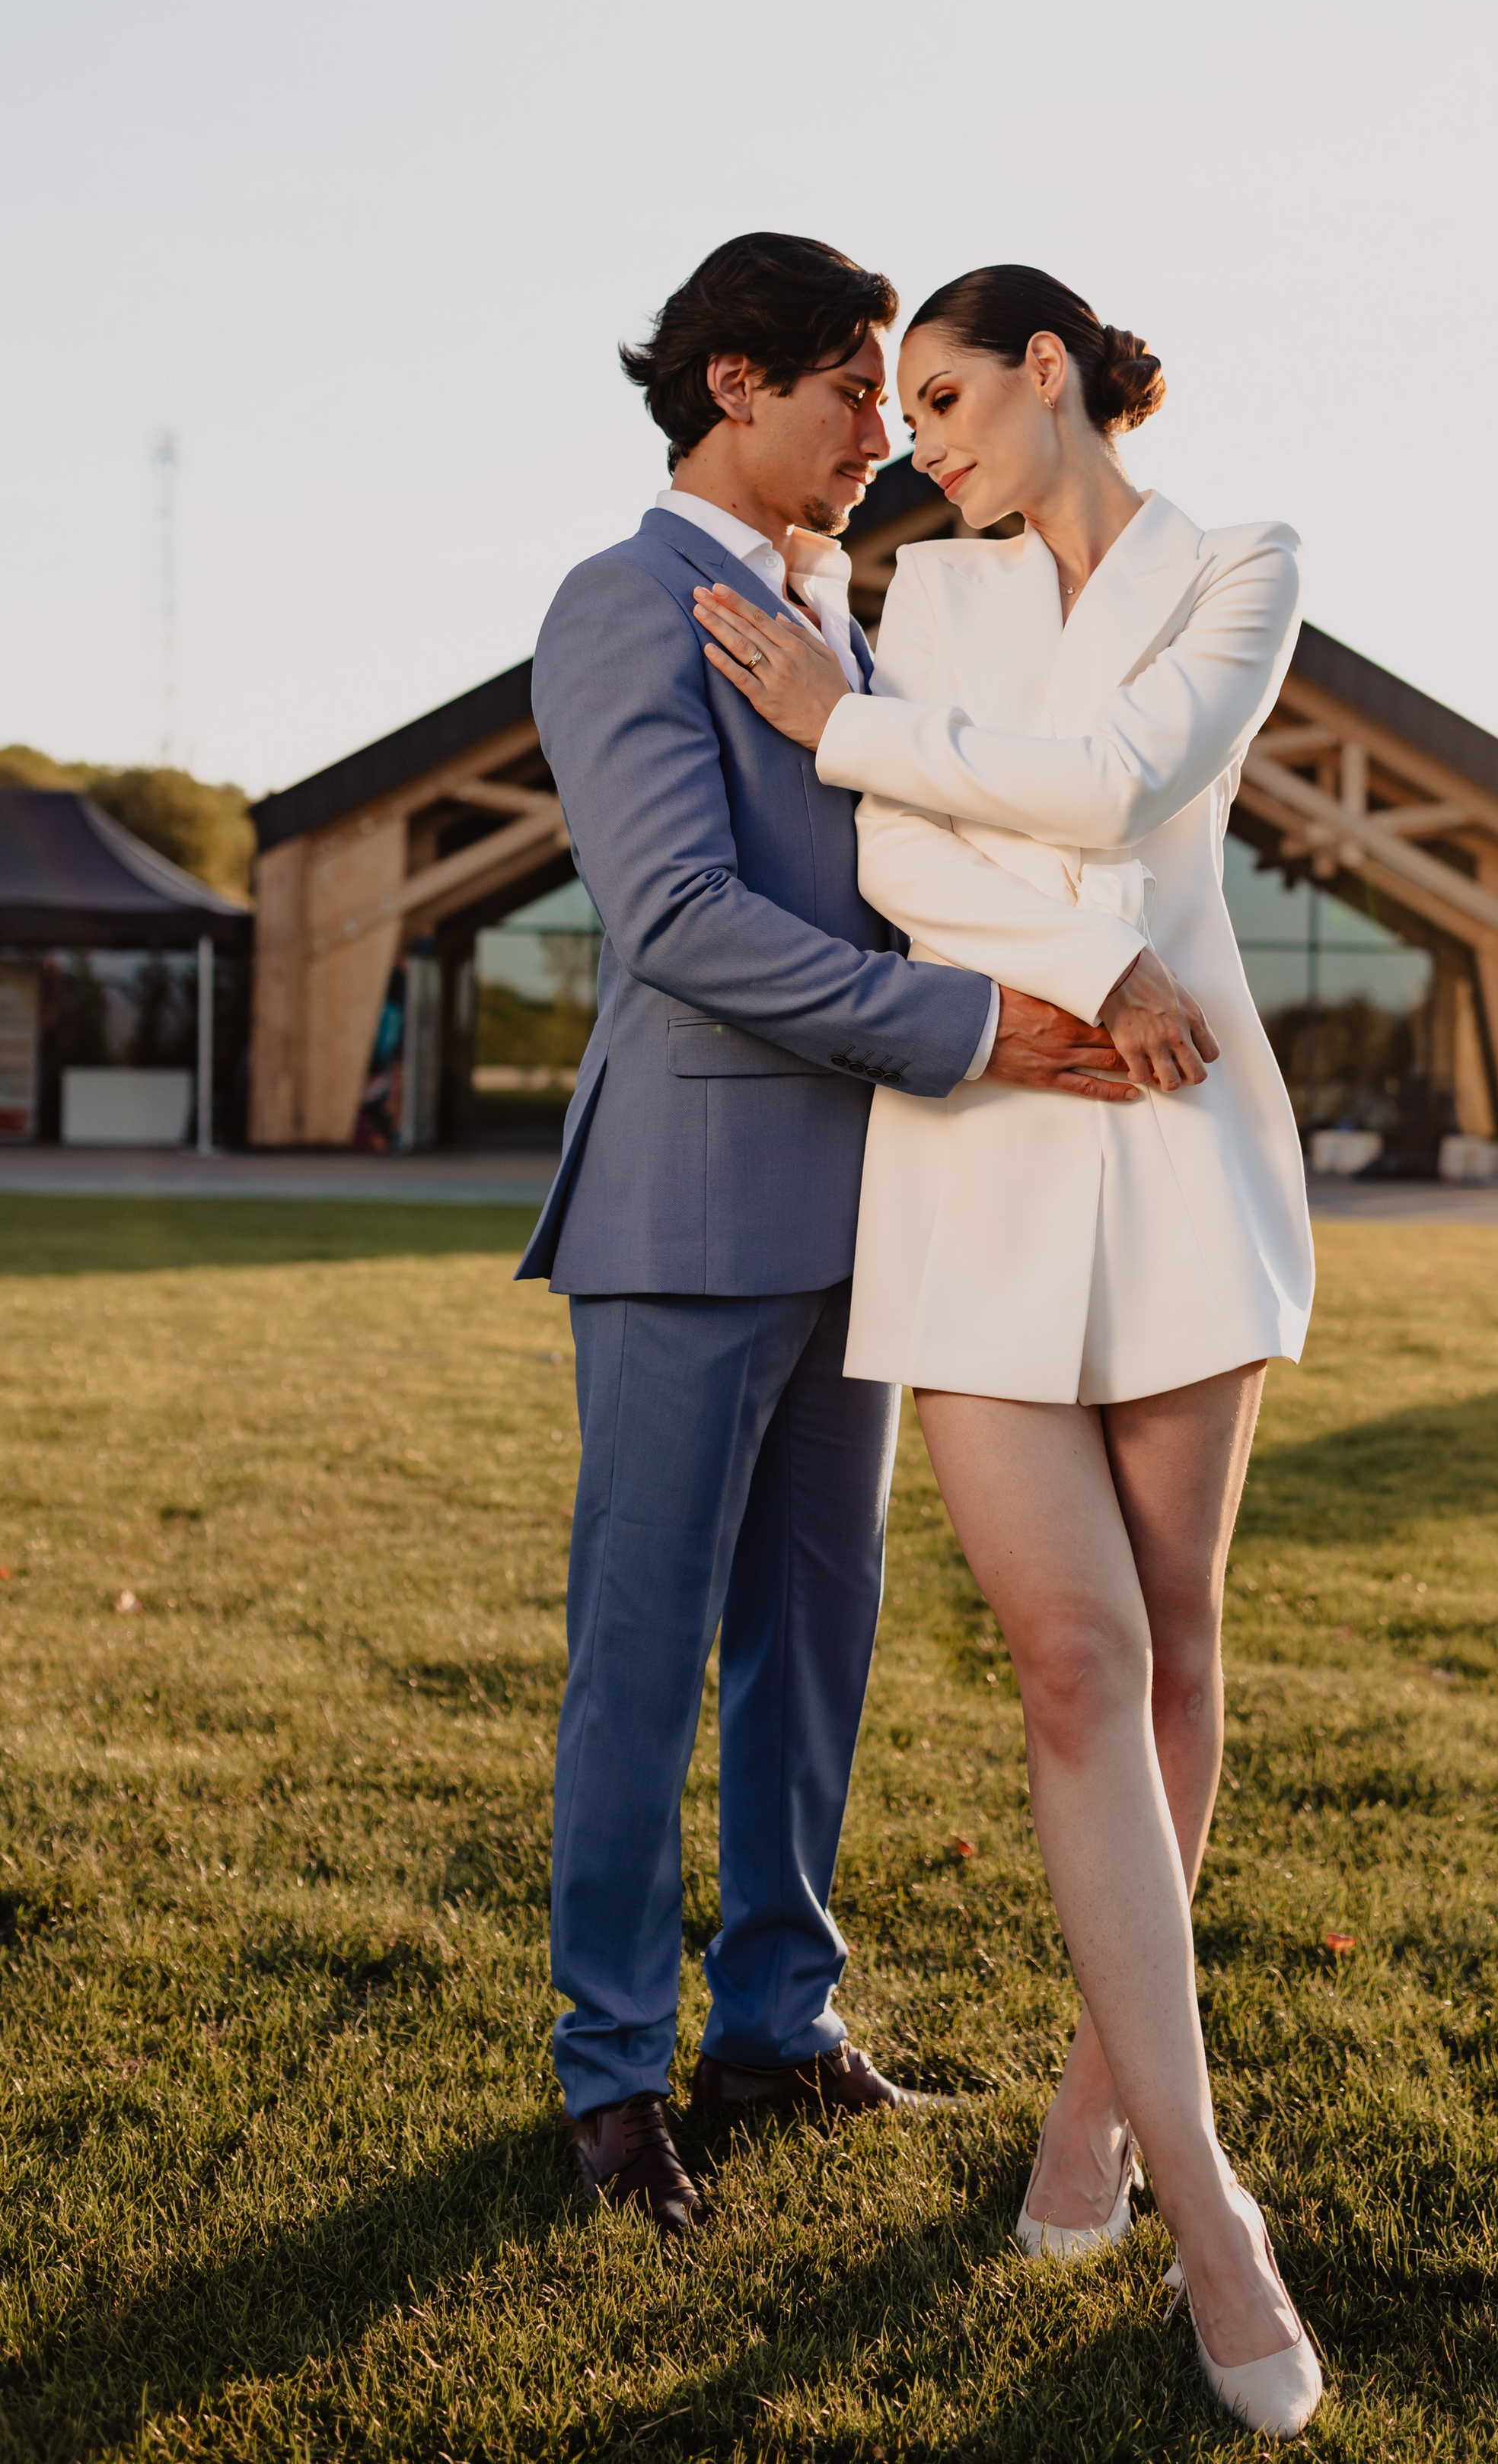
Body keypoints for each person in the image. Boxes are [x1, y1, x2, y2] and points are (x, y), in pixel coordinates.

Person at [690, 263, 1325, 2438]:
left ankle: (1095, 2114)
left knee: (1168, 1644)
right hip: (980, 1144)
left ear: (1050, 368)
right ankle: (1214, 2205)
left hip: (1173, 1156)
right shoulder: (927, 597)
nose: (917, 438)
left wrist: (828, 716)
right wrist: (1100, 964)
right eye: (903, 410)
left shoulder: (1245, 566)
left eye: (948, 395)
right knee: (1067, 1660)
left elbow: (1138, 770)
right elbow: (905, 863)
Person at [518, 234, 1144, 2234]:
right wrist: (978, 1029)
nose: (890, 427)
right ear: (734, 384)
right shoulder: (625, 604)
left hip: (867, 1221)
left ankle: (778, 2024)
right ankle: (614, 2080)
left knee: (819, 1644)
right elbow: (684, 923)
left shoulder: (848, 630)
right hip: (688, 1214)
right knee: (646, 1652)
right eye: (859, 388)